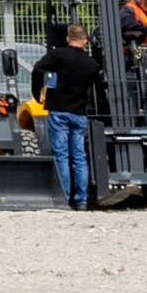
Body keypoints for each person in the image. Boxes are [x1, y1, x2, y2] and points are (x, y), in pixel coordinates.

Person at [32, 16, 103, 207]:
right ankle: (82, 200)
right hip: (79, 113)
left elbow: (38, 70)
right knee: (79, 156)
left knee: (61, 155)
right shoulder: (91, 64)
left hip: (58, 110)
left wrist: (36, 92)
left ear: (67, 38)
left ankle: (65, 198)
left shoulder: (59, 56)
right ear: (85, 41)